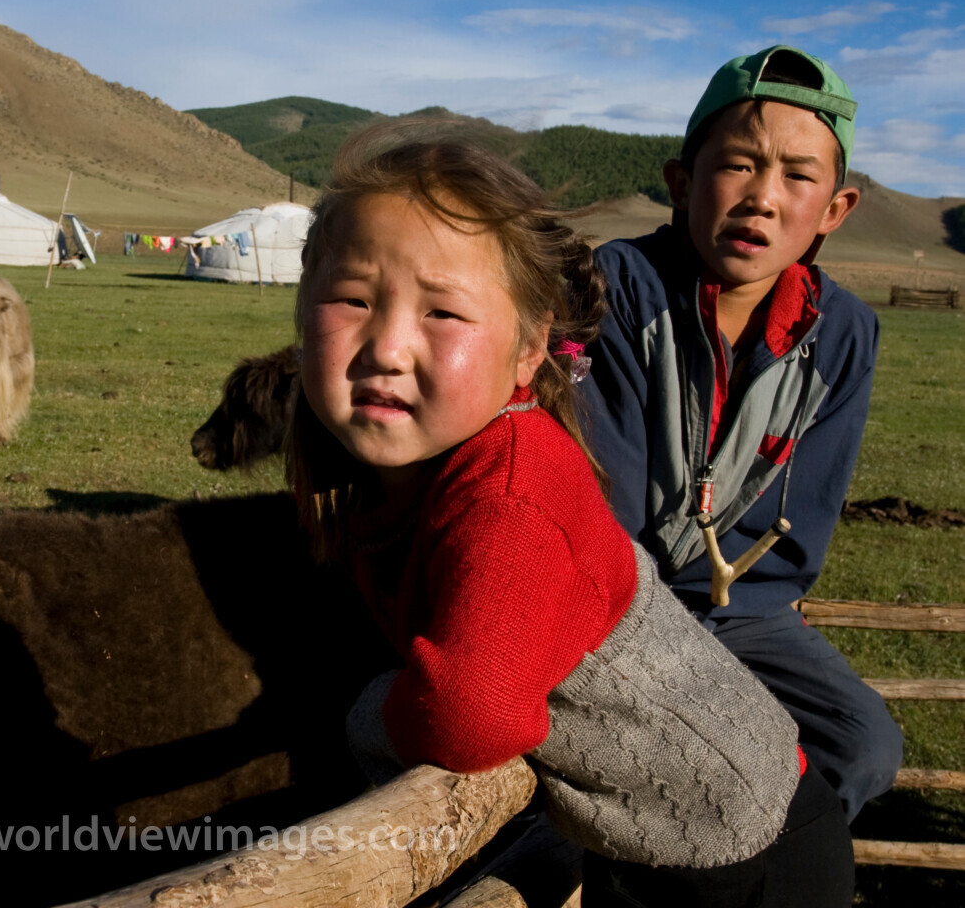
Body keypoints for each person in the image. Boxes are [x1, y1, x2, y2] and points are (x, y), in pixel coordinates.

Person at [287, 125, 854, 907]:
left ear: (528, 351)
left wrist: (371, 712)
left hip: (748, 854)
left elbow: (474, 715)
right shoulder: (399, 472)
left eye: (444, 314)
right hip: (656, 836)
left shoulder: (512, 494)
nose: (386, 345)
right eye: (351, 299)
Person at [578, 45, 903, 822]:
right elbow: (604, 512)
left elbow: (797, 536)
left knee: (862, 746)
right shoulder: (615, 288)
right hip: (614, 603)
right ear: (683, 182)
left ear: (834, 210)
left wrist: (738, 626)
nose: (763, 197)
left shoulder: (845, 333)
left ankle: (745, 862)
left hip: (746, 612)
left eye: (798, 176)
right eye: (739, 166)